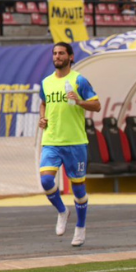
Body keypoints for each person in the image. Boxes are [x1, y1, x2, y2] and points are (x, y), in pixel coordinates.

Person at [37, 42, 99, 247]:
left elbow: (97, 105)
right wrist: (42, 118)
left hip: (75, 142)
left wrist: (80, 101)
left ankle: (80, 227)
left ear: (70, 57)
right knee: (46, 181)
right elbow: (44, 103)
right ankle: (63, 211)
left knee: (78, 188)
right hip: (52, 141)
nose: (57, 56)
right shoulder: (46, 82)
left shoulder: (79, 80)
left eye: (61, 53)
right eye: (54, 53)